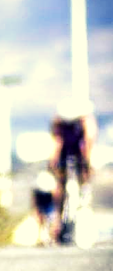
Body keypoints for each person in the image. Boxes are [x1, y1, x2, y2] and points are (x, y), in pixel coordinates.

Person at [49, 97, 97, 242]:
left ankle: (84, 191)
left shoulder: (87, 121)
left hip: (79, 148)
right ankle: (59, 215)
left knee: (84, 169)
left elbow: (88, 142)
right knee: (60, 182)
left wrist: (87, 163)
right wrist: (54, 162)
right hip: (66, 150)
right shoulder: (58, 121)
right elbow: (57, 143)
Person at [32, 169, 57, 245]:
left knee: (50, 220)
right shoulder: (41, 181)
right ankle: (42, 238)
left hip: (48, 202)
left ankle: (50, 238)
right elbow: (35, 197)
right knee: (42, 221)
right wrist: (36, 209)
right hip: (43, 201)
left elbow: (54, 195)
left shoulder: (49, 180)